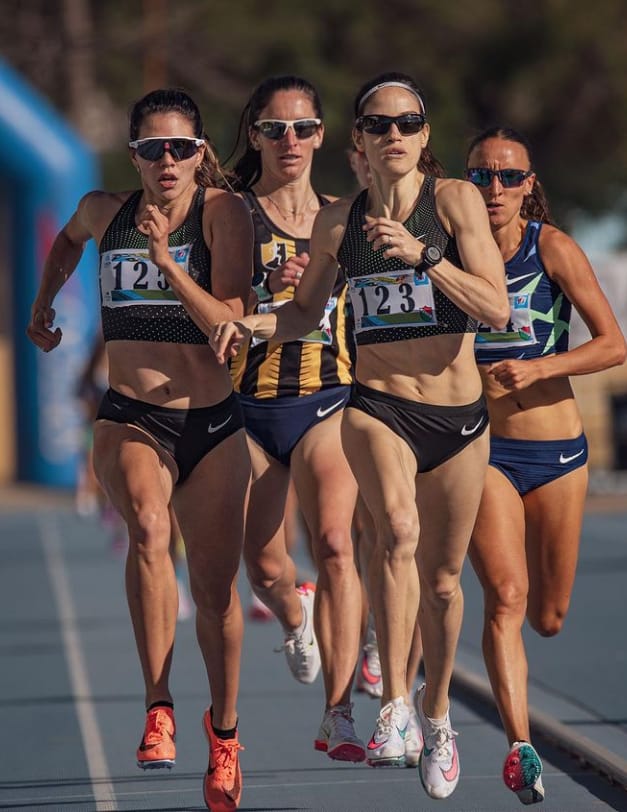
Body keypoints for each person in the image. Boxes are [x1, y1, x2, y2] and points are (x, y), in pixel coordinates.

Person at [210, 71, 510, 800]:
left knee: (442, 581)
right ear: (360, 141)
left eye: (408, 123)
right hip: (377, 407)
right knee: (395, 533)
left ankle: (436, 717)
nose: (395, 136)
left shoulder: (454, 203)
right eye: (379, 125)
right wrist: (249, 323)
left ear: (424, 136)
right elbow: (303, 312)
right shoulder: (338, 224)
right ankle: (395, 707)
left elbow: (497, 308)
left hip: (458, 417)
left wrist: (423, 258)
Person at [26, 88, 253, 811]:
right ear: (134, 156)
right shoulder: (103, 211)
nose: (167, 161)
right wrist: (43, 302)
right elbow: (65, 241)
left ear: (201, 152)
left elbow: (231, 315)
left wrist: (166, 260)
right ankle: (159, 705)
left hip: (212, 422)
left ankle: (223, 735)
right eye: (152, 149)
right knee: (150, 530)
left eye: (181, 148)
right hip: (131, 414)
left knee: (217, 596)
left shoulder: (224, 215)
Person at [465, 126, 627, 805]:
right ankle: (519, 747)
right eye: (481, 177)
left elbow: (613, 344)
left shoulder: (550, 248)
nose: (494, 189)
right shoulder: (450, 258)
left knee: (547, 616)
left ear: (529, 185)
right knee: (505, 596)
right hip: (483, 451)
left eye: (507, 177)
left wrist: (541, 367)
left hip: (556, 452)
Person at [227, 74, 368, 763]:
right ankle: (294, 612)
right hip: (248, 407)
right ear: (254, 136)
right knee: (262, 565)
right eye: (275, 128)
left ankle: (337, 713)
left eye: (304, 128)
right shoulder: (230, 215)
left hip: (326, 401)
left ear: (321, 135)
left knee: (337, 543)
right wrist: (261, 290)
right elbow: (207, 308)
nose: (290, 141)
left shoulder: (346, 216)